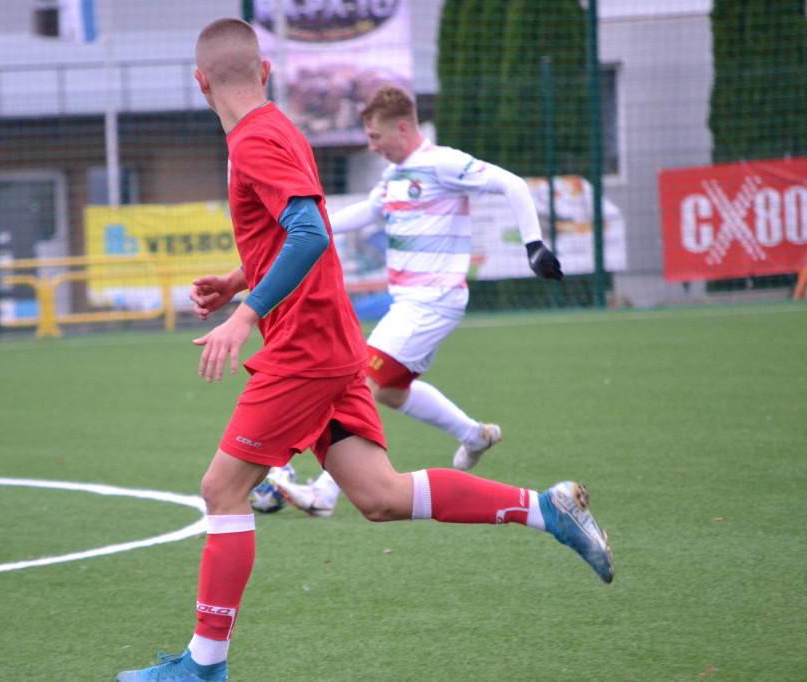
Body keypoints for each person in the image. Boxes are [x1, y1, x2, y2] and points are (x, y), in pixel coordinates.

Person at [115, 18, 613, 682]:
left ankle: (204, 668)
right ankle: (545, 508)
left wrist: (245, 313)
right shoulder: (279, 128)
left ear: (200, 83)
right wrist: (241, 277)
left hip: (303, 350)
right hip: (333, 340)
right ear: (266, 72)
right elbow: (303, 226)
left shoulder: (253, 141)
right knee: (380, 495)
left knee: (222, 490)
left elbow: (308, 234)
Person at [276, 83, 563, 518]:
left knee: (359, 383)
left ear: (403, 128)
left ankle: (324, 494)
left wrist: (534, 245)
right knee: (392, 392)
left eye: (376, 137)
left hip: (432, 302)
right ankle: (474, 435)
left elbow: (512, 183)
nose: (372, 146)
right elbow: (367, 211)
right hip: (410, 304)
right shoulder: (394, 175)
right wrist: (312, 227)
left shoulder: (442, 162)